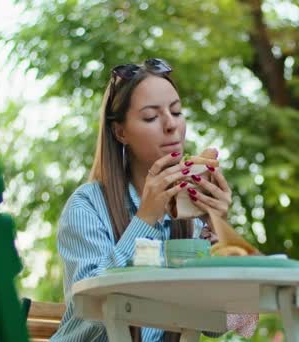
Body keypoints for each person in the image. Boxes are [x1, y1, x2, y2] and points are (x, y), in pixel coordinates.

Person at [50, 58, 257, 342]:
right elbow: (93, 310)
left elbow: (226, 323)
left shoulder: (190, 216)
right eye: (150, 117)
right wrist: (146, 218)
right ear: (120, 132)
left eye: (176, 111)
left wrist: (220, 236)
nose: (171, 125)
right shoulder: (87, 206)